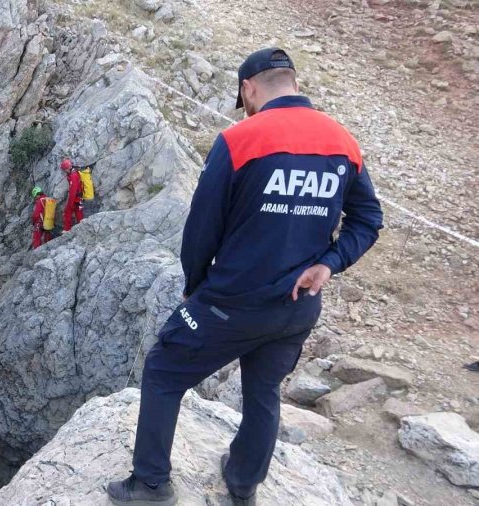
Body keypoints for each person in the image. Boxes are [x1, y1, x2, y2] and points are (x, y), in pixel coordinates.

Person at [106, 47, 384, 506]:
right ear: (293, 83)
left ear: (249, 89)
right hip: (298, 307)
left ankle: (150, 484)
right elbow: (368, 218)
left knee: (163, 370)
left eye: (245, 98)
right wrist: (329, 264)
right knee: (263, 389)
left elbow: (202, 227)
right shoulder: (343, 143)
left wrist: (195, 288)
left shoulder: (241, 139)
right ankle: (242, 484)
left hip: (232, 302)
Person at [60, 158, 83, 231]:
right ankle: (81, 226)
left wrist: (70, 203)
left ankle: (66, 229)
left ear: (66, 169)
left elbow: (73, 191)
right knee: (78, 212)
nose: (64, 171)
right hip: (79, 197)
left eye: (64, 170)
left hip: (75, 198)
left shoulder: (73, 176)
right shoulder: (75, 172)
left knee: (67, 212)